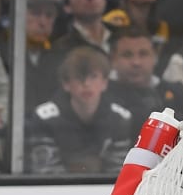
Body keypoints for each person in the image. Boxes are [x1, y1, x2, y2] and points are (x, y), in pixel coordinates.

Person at [24, 45, 137, 174]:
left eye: (93, 76)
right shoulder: (44, 118)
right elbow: (46, 172)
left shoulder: (120, 118)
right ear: (66, 83)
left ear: (105, 82)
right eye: (79, 78)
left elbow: (117, 173)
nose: (86, 84)